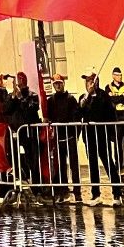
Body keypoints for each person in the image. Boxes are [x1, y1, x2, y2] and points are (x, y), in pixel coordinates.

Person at [78, 72, 122, 206]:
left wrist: (112, 134)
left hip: (102, 135)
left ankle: (117, 194)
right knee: (92, 165)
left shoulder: (103, 96)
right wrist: (87, 97)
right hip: (89, 135)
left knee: (109, 163)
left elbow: (109, 113)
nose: (90, 84)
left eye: (92, 81)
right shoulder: (83, 97)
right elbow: (79, 111)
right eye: (88, 82)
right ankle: (96, 194)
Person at [45, 74, 81, 203]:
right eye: (56, 84)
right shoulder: (51, 101)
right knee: (60, 166)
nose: (58, 85)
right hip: (58, 138)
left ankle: (77, 192)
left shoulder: (71, 99)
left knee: (74, 165)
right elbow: (48, 118)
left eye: (60, 83)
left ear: (63, 84)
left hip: (70, 136)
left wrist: (76, 135)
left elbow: (76, 117)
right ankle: (62, 191)